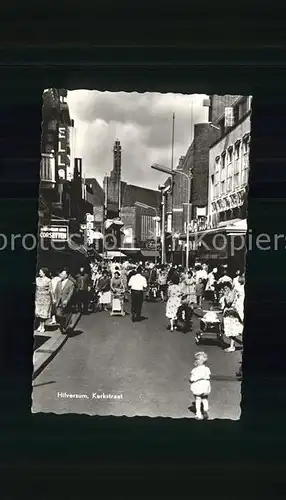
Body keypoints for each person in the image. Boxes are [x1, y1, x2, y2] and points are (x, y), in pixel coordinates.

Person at [220, 282, 243, 352]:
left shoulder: (231, 293)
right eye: (224, 288)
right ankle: (232, 346)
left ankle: (232, 346)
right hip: (228, 313)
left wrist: (225, 295)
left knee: (233, 330)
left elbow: (229, 302)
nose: (225, 289)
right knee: (231, 330)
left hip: (231, 313)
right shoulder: (229, 293)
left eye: (226, 288)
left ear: (229, 288)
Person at [190, 351, 211, 420]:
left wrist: (191, 380)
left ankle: (198, 414)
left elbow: (192, 378)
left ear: (197, 361)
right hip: (205, 385)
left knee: (198, 399)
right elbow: (208, 376)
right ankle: (205, 409)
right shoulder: (207, 369)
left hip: (198, 385)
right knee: (205, 398)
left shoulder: (194, 370)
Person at [54, 268, 76, 334]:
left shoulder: (71, 283)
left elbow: (70, 293)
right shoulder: (59, 282)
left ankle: (64, 326)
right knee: (58, 314)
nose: (61, 275)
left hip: (66, 301)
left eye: (63, 274)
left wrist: (67, 300)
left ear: (66, 275)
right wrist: (55, 298)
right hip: (59, 301)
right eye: (61, 274)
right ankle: (62, 324)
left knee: (67, 314)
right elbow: (56, 291)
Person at [35, 268, 52, 333]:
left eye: (40, 272)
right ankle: (40, 325)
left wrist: (52, 299)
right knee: (38, 313)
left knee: (43, 313)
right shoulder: (37, 279)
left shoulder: (48, 280)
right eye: (39, 272)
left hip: (45, 298)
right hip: (38, 298)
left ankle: (43, 326)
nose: (39, 273)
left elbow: (51, 290)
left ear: (44, 273)